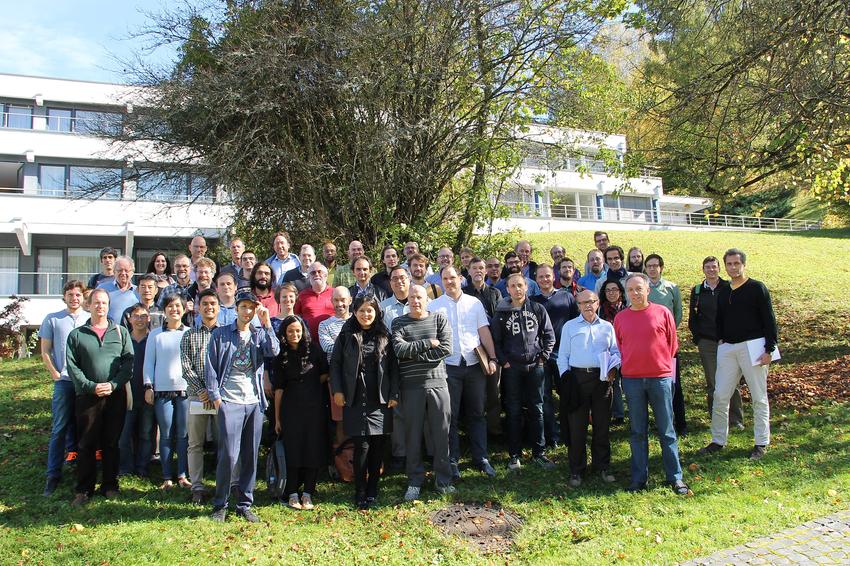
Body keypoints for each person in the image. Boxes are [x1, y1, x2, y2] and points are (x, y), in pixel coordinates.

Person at [206, 290, 278, 522]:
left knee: (250, 455)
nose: (248, 311)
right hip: (230, 401)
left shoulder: (259, 334)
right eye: (244, 307)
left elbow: (274, 351)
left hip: (254, 402)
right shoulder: (221, 334)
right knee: (228, 455)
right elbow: (211, 366)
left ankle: (245, 504)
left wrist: (267, 324)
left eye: (251, 307)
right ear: (236, 308)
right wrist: (216, 398)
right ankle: (220, 503)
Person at [699, 248, 778, 461]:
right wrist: (721, 339)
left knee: (758, 397)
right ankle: (718, 440)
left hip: (754, 347)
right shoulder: (725, 291)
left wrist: (769, 349)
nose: (733, 267)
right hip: (728, 348)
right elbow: (720, 319)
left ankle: (761, 442)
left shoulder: (757, 288)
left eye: (736, 263)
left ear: (744, 265)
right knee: (720, 395)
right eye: (729, 264)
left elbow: (769, 319)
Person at [614, 273, 688, 495]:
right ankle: (639, 479)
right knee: (638, 431)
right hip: (632, 380)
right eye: (630, 290)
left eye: (639, 288)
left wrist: (659, 364)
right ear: (626, 293)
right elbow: (619, 346)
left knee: (667, 430)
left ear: (648, 290)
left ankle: (675, 477)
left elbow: (672, 345)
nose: (635, 293)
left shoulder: (663, 312)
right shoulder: (620, 318)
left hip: (660, 378)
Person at [330, 295, 400, 509]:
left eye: (370, 310)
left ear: (376, 312)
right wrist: (338, 390)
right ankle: (360, 490)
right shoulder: (346, 334)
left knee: (378, 446)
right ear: (354, 312)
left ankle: (373, 488)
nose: (366, 314)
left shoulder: (385, 335)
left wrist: (394, 393)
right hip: (355, 396)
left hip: (379, 398)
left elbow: (393, 367)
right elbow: (336, 364)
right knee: (361, 446)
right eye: (361, 310)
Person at [65, 288, 133, 505]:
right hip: (87, 397)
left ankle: (110, 485)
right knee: (86, 443)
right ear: (88, 305)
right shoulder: (77, 335)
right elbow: (73, 367)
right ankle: (84, 489)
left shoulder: (120, 332)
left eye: (104, 302)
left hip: (115, 396)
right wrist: (91, 386)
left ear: (108, 305)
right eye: (96, 302)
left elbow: (128, 364)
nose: (100, 306)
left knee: (111, 442)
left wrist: (113, 384)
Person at [429, 267, 498, 479]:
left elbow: (483, 331)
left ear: (460, 279)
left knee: (477, 413)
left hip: (474, 365)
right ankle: (452, 460)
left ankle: (481, 458)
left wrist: (492, 357)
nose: (449, 281)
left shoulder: (474, 303)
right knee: (451, 416)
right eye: (445, 278)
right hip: (448, 366)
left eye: (453, 277)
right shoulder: (434, 306)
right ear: (441, 281)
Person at [391, 285, 455, 501]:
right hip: (411, 386)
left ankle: (443, 480)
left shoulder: (439, 319)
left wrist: (415, 354)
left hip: (438, 384)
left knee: (442, 434)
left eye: (419, 297)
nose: (415, 301)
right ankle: (414, 481)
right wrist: (428, 343)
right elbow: (399, 350)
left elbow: (446, 348)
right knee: (412, 435)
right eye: (411, 297)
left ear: (426, 299)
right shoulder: (398, 322)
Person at [492, 274, 556, 471]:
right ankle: (514, 455)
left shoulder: (537, 308)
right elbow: (496, 341)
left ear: (527, 287)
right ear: (507, 289)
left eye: (520, 285)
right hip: (512, 368)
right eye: (513, 286)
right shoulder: (501, 313)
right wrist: (504, 362)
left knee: (537, 409)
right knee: (513, 410)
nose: (517, 289)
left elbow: (549, 334)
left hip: (535, 366)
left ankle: (539, 452)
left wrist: (543, 357)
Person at [557, 290, 620, 487]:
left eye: (591, 302)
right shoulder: (570, 326)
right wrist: (566, 379)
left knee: (602, 425)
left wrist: (614, 368)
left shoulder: (607, 327)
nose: (588, 306)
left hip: (602, 379)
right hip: (577, 380)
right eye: (583, 303)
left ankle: (602, 466)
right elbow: (562, 356)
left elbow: (616, 351)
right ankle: (577, 469)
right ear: (578, 306)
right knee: (577, 427)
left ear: (598, 303)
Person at [273, 315, 330, 511]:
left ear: (303, 331)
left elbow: (325, 374)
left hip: (315, 407)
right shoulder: (281, 355)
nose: (294, 334)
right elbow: (279, 389)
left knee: (313, 448)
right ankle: (292, 493)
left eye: (298, 330)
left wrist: (310, 387)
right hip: (291, 409)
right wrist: (277, 418)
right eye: (290, 331)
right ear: (284, 333)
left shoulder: (315, 350)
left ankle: (308, 493)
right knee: (293, 450)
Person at [41, 279, 89, 496]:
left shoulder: (89, 318)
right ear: (64, 297)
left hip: (86, 383)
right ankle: (53, 475)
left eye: (78, 294)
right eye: (70, 294)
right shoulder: (53, 319)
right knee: (59, 428)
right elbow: (45, 350)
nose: (74, 298)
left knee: (87, 427)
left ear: (83, 297)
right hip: (64, 382)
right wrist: (55, 373)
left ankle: (85, 471)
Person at [688, 256, 743, 430]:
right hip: (707, 343)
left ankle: (735, 419)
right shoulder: (697, 290)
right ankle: (717, 419)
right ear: (703, 269)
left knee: (732, 381)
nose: (711, 270)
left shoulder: (729, 287)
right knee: (713, 383)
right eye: (708, 267)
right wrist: (698, 337)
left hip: (728, 342)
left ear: (719, 268)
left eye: (714, 267)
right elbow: (693, 317)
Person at [143, 293, 191, 490]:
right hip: (162, 391)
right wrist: (148, 386)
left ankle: (182, 474)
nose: (174, 309)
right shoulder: (155, 335)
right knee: (165, 434)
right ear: (164, 311)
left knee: (183, 434)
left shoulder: (189, 333)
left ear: (184, 309)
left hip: (185, 391)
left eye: (178, 306)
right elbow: (149, 362)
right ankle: (166, 477)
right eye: (170, 306)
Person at [531, 264, 579, 449]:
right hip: (540, 354)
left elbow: (576, 323)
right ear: (536, 279)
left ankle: (569, 431)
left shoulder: (566, 297)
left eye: (547, 276)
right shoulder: (532, 301)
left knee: (566, 393)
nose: (544, 279)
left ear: (554, 277)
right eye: (541, 276)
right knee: (544, 397)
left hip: (563, 353)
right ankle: (553, 436)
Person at [181, 288, 220, 503]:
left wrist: (215, 392)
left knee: (226, 442)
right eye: (205, 304)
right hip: (198, 397)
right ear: (198, 307)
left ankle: (228, 483)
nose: (209, 307)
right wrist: (202, 390)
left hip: (221, 398)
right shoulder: (189, 335)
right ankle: (197, 486)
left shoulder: (226, 334)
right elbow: (186, 367)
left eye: (213, 303)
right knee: (195, 443)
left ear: (219, 307)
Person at [644, 253, 687, 436]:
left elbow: (677, 313)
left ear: (661, 268)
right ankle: (658, 422)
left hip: (668, 346)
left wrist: (668, 335)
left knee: (674, 384)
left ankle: (681, 423)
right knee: (652, 386)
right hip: (646, 346)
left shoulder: (671, 287)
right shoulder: (641, 288)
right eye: (649, 266)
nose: (652, 269)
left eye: (655, 266)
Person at [379, 265, 412, 470]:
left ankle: (425, 450)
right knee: (397, 410)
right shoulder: (383, 308)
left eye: (402, 278)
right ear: (390, 283)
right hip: (394, 364)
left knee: (422, 410)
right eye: (394, 279)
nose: (399, 281)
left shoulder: (422, 301)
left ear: (409, 279)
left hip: (418, 364)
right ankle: (400, 453)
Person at [598, 279, 628, 424]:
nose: (611, 293)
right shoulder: (600, 310)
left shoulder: (627, 309)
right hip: (609, 350)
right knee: (613, 382)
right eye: (608, 290)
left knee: (628, 382)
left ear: (620, 292)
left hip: (627, 349)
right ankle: (617, 413)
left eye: (614, 290)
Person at [295, 262, 334, 340]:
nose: (316, 274)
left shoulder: (335, 293)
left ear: (326, 275)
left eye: (319, 272)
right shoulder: (302, 295)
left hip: (332, 339)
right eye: (313, 273)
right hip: (309, 341)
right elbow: (296, 315)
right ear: (308, 277)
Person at [107, 256, 139, 323]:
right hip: (111, 328)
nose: (123, 273)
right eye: (120, 270)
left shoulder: (138, 291)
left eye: (126, 270)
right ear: (114, 272)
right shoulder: (103, 289)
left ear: (132, 273)